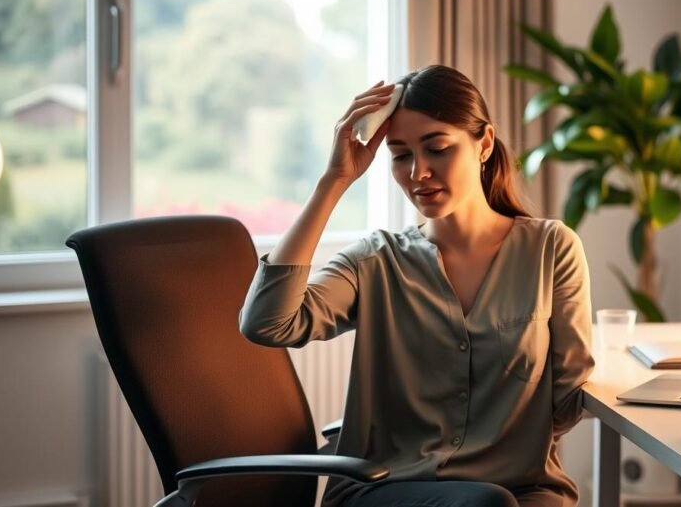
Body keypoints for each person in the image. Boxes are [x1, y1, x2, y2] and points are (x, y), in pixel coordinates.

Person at [239, 65, 594, 507]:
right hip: (385, 489)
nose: (418, 173)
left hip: (521, 488)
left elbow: (567, 395)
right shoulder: (375, 261)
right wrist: (335, 182)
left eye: (437, 149)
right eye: (401, 155)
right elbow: (268, 324)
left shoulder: (550, 248)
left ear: (483, 144)